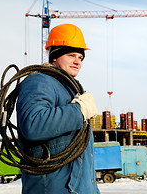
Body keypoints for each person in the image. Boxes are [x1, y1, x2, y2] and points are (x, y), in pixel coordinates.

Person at [16, 23, 101, 194]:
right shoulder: (40, 81)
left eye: (80, 57)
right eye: (71, 55)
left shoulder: (71, 89)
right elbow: (33, 124)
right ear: (55, 56)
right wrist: (79, 111)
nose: (78, 61)